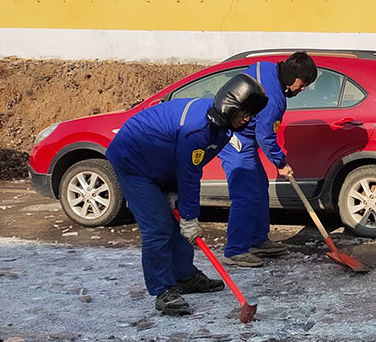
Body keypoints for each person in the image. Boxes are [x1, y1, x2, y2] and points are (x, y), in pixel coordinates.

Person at [107, 73, 268, 316]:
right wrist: (190, 216)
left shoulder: (220, 129)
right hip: (133, 163)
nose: (248, 119)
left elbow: (192, 166)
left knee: (178, 221)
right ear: (230, 106)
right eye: (245, 112)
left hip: (159, 163)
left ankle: (184, 276)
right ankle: (163, 290)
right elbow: (189, 173)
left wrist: (177, 197)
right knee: (158, 226)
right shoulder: (198, 128)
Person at [218, 52, 318, 266]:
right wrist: (281, 163)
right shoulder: (274, 100)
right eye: (302, 84)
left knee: (259, 186)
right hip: (233, 140)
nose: (302, 89)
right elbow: (265, 136)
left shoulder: (265, 67)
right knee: (245, 195)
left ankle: (257, 240)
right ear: (292, 77)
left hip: (243, 137)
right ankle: (235, 250)